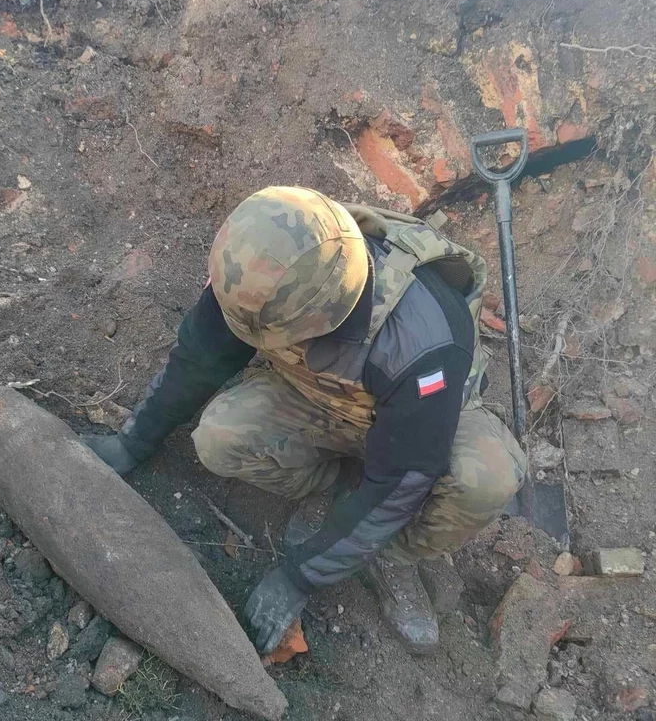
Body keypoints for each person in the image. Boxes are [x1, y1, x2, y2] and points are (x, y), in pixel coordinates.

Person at [83, 187, 526, 656]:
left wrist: (299, 575)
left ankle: (392, 555)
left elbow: (404, 477)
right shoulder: (258, 273)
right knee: (221, 438)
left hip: (423, 421)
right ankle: (337, 494)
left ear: (324, 313)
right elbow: (197, 360)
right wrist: (133, 442)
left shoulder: (422, 342)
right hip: (321, 396)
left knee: (486, 479)